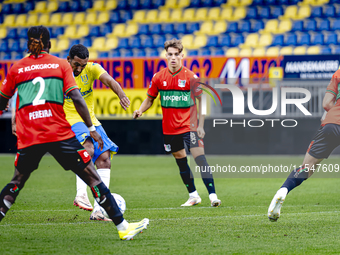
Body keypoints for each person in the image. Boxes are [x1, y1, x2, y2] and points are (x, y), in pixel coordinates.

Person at [0, 26, 148, 240]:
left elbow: (9, 99)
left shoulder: (17, 68)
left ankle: (96, 209)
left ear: (27, 44)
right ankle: (121, 225)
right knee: (91, 175)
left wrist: (15, 119)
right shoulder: (59, 65)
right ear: (50, 45)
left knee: (17, 182)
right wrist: (90, 128)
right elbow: (77, 99)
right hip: (60, 130)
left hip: (32, 133)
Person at [133, 38, 221, 207]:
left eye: (176, 54)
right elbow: (149, 99)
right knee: (181, 162)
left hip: (190, 126)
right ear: (166, 56)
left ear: (182, 55)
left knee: (200, 159)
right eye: (170, 55)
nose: (173, 57)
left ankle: (213, 196)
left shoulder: (191, 77)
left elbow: (202, 102)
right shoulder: (158, 77)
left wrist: (201, 125)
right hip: (170, 130)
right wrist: (140, 110)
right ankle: (193, 195)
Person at [63, 44, 130, 221]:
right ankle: (81, 194)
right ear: (68, 59)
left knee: (104, 158)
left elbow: (109, 80)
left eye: (82, 65)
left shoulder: (92, 68)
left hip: (90, 120)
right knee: (89, 148)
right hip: (71, 119)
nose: (79, 68)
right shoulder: (60, 72)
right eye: (76, 64)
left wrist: (121, 94)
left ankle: (99, 209)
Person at [268, 71, 340, 222]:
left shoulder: (338, 73)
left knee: (307, 167)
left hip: (331, 123)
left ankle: (283, 190)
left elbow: (326, 103)